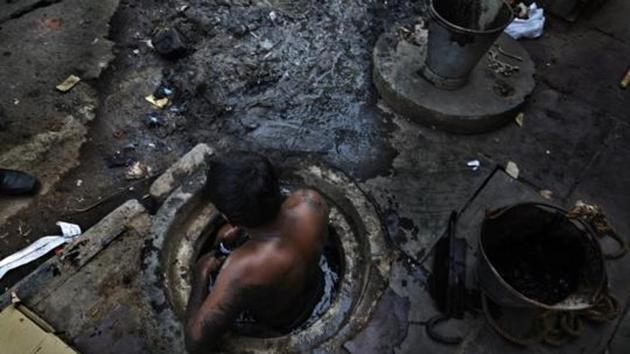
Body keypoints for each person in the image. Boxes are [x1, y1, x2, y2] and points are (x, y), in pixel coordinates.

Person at [184, 152, 329, 354]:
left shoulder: (243, 268)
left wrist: (200, 274)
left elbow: (195, 342)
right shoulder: (311, 202)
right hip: (315, 291)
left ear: (227, 216)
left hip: (276, 323)